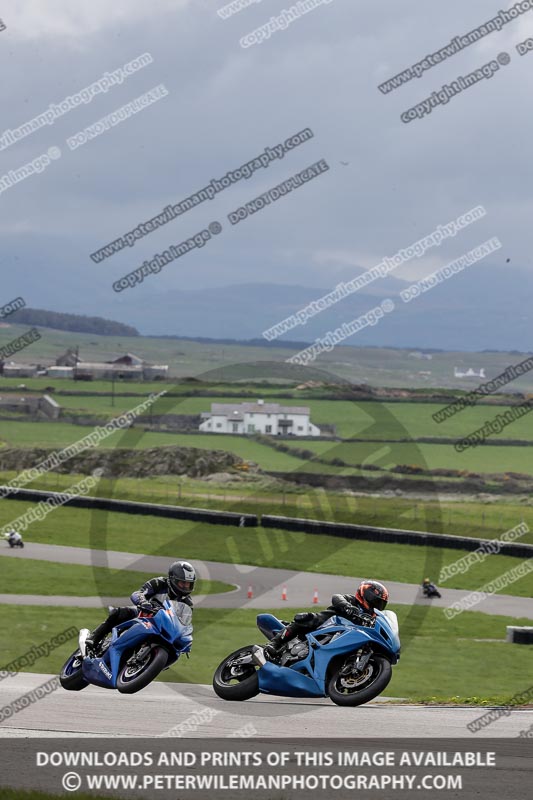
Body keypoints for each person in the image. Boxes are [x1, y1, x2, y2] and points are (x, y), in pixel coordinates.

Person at [85, 560, 196, 654]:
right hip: (144, 615)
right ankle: (94, 638)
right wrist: (143, 602)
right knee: (118, 612)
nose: (186, 587)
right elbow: (138, 593)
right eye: (182, 583)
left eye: (188, 584)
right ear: (172, 579)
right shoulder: (159, 583)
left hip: (164, 628)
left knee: (175, 649)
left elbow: (184, 622)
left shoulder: (188, 603)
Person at [264, 580, 389, 662]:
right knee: (307, 618)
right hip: (327, 623)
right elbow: (337, 597)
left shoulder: (370, 617)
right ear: (365, 595)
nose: (376, 605)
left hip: (343, 638)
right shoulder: (352, 601)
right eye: (375, 601)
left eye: (380, 604)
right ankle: (274, 644)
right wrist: (347, 606)